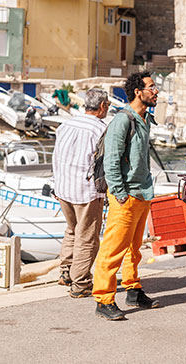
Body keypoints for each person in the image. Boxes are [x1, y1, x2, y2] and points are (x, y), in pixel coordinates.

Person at [92, 71, 161, 320]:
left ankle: (133, 289)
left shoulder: (145, 119)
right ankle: (103, 299)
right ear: (138, 92)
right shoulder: (123, 120)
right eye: (151, 87)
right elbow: (111, 160)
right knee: (113, 249)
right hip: (126, 195)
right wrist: (119, 193)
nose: (156, 91)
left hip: (142, 192)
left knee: (134, 248)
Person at [52, 88, 111, 298]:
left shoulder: (65, 125)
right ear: (102, 106)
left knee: (72, 229)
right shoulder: (101, 129)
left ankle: (66, 272)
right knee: (87, 237)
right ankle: (81, 282)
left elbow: (56, 156)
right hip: (86, 191)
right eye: (108, 105)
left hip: (63, 187)